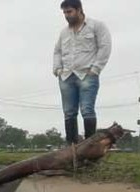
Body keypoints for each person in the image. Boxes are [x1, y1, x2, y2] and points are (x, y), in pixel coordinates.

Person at [53, 0, 112, 143]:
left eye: (69, 11)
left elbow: (105, 46)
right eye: (64, 12)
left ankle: (89, 146)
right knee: (69, 112)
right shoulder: (64, 32)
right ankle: (71, 147)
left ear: (79, 9)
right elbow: (57, 51)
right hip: (66, 76)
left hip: (87, 74)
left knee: (87, 110)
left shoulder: (96, 26)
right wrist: (58, 69)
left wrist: (96, 69)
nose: (67, 15)